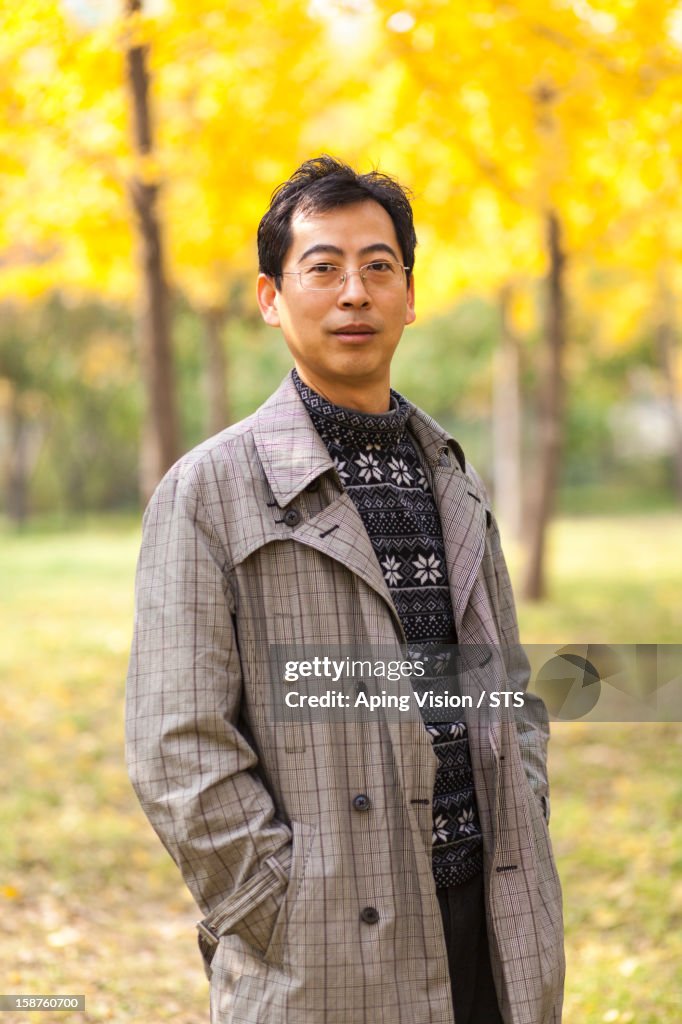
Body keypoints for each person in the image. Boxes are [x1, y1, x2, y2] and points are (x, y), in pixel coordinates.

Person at [125, 155, 564, 1024]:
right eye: (322, 267)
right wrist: (275, 906)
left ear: (409, 292)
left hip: (491, 920)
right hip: (327, 944)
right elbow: (177, 741)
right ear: (270, 298)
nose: (354, 292)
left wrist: (527, 801)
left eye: (378, 266)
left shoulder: (451, 477)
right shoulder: (209, 491)